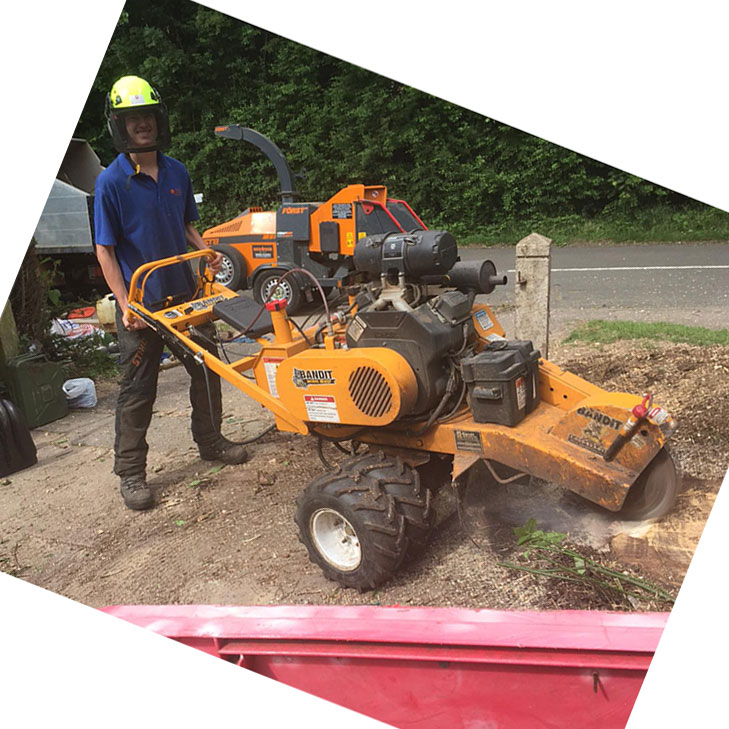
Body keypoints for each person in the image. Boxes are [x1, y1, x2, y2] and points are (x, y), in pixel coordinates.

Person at [94, 75, 249, 511]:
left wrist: (206, 252)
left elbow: (185, 225)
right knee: (138, 389)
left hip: (184, 295)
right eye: (131, 119)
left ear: (158, 119)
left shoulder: (177, 170)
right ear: (118, 126)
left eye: (146, 116)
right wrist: (125, 305)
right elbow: (104, 250)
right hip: (140, 306)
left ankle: (211, 441)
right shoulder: (111, 182)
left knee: (206, 368)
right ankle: (131, 474)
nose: (141, 125)